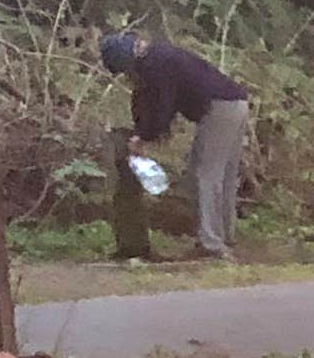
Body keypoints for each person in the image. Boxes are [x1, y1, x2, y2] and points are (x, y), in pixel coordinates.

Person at [98, 29, 253, 258]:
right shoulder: (158, 57)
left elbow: (163, 105)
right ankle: (224, 237)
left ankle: (211, 244)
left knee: (204, 174)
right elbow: (148, 100)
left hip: (219, 109)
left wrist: (144, 136)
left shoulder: (156, 64)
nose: (126, 75)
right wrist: (146, 131)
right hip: (236, 103)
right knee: (224, 175)